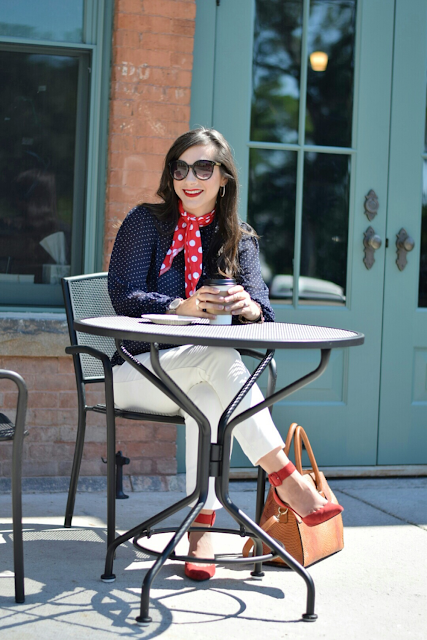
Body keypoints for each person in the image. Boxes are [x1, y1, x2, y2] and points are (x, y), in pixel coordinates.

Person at [108, 127, 343, 581]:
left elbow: (265, 315)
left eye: (203, 167)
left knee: (215, 397)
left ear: (223, 178)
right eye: (180, 168)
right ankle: (286, 480)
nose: (189, 178)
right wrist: (181, 306)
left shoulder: (240, 239)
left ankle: (202, 529)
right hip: (138, 372)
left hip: (201, 382)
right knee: (219, 361)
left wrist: (247, 307)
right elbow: (123, 296)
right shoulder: (145, 222)